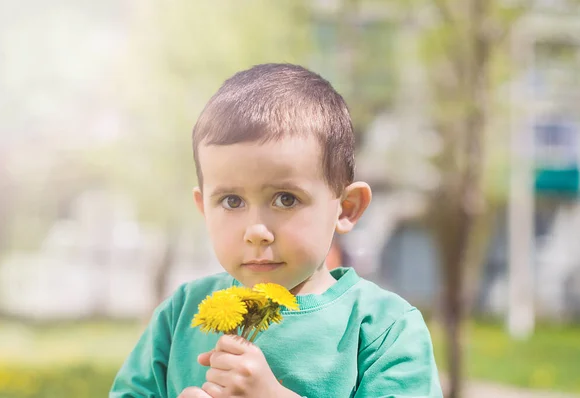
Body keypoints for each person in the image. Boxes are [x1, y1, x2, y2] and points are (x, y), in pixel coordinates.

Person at [110, 63, 442, 398]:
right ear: (204, 209)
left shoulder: (384, 328)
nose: (256, 231)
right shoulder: (181, 314)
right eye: (231, 201)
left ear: (346, 207)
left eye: (285, 199)